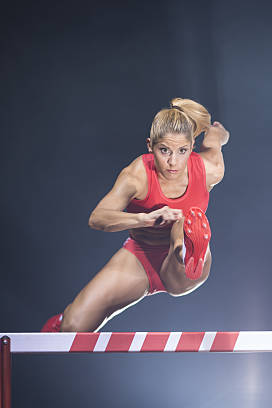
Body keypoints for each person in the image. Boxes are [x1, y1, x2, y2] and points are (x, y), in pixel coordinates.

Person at [41, 97, 229, 332]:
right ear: (150, 146)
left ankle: (186, 251)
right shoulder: (137, 174)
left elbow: (217, 138)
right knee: (72, 327)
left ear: (192, 148)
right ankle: (63, 322)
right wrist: (145, 218)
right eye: (164, 151)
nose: (173, 162)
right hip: (140, 257)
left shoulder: (210, 170)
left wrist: (216, 136)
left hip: (181, 270)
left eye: (182, 151)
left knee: (185, 219)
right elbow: (98, 217)